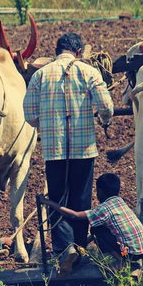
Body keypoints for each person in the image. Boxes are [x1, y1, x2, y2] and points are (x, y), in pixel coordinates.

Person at [24, 32, 115, 271]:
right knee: (81, 199)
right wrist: (103, 119)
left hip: (54, 152)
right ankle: (79, 249)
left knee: (56, 199)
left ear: (57, 51)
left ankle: (65, 251)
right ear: (77, 52)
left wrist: (46, 122)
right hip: (84, 150)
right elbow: (107, 107)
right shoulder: (89, 72)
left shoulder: (40, 75)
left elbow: (30, 115)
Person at [38, 173, 143, 276]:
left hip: (132, 253)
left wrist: (47, 202)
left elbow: (75, 216)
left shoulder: (104, 209)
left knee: (96, 229)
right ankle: (133, 264)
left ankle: (121, 262)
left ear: (100, 192)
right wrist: (83, 244)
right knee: (102, 229)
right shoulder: (120, 202)